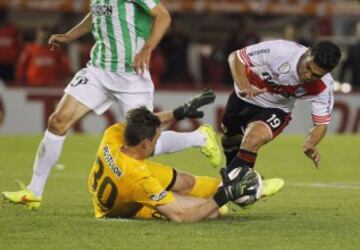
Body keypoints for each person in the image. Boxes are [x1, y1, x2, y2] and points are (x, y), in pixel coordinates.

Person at [1, 1, 220, 209]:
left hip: (131, 76)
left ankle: (200, 137)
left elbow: (163, 16)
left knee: (144, 143)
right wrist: (70, 36)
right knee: (57, 121)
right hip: (98, 71)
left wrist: (148, 48)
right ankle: (34, 192)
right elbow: (97, 14)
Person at [88, 106, 279, 222]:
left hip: (121, 174)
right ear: (145, 143)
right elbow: (181, 216)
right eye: (156, 139)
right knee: (213, 212)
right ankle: (236, 191)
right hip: (120, 206)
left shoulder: (113, 135)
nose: (158, 141)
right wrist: (223, 197)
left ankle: (239, 184)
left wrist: (177, 113)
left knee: (185, 182)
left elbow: (146, 123)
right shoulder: (141, 182)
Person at [222, 40, 341, 173]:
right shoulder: (280, 50)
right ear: (308, 52)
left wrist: (311, 143)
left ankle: (235, 183)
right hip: (245, 95)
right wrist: (244, 86)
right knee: (230, 139)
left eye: (316, 76)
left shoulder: (324, 87)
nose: (308, 76)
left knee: (253, 139)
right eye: (308, 68)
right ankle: (233, 177)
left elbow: (321, 123)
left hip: (277, 108)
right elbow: (236, 57)